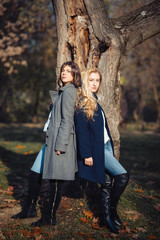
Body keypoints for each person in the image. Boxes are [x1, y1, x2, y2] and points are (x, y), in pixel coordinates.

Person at [12, 61, 81, 227]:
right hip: (50, 141)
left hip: (59, 142)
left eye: (68, 71)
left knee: (56, 181)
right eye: (63, 70)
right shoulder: (62, 92)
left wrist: (61, 145)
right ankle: (29, 210)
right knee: (35, 173)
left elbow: (67, 121)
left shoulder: (69, 92)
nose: (64, 73)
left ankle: (49, 218)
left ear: (74, 76)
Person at [74, 68, 129, 234]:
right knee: (122, 176)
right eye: (91, 80)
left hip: (105, 146)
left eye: (97, 80)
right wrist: (87, 155)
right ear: (85, 81)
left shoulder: (95, 101)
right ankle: (112, 211)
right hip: (96, 151)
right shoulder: (83, 103)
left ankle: (107, 217)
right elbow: (81, 132)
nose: (94, 83)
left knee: (106, 184)